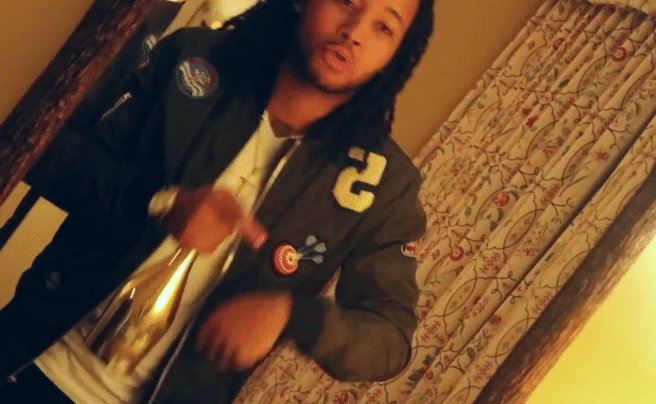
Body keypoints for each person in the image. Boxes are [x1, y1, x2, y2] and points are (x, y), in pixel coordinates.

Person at [0, 0, 435, 402]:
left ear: (396, 57)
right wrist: (158, 203)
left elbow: (389, 340)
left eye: (384, 27)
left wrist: (296, 316)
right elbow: (44, 150)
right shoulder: (194, 59)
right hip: (30, 354)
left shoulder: (385, 185)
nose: (354, 31)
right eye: (347, 1)